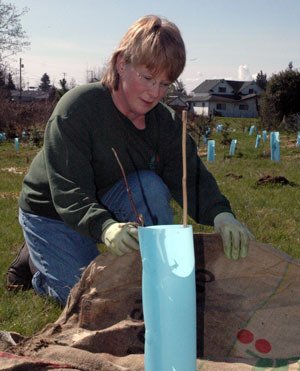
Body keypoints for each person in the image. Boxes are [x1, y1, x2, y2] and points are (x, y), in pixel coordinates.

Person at [6, 15, 253, 305]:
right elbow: (69, 191)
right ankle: (36, 265)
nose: (155, 93)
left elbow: (189, 173)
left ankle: (154, 267)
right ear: (122, 64)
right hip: (53, 210)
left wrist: (221, 214)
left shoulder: (163, 123)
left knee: (150, 186)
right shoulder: (77, 109)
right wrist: (106, 227)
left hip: (111, 196)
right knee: (89, 300)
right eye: (148, 78)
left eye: (165, 84)